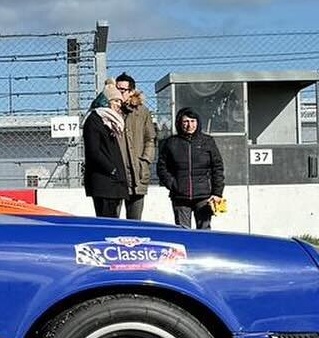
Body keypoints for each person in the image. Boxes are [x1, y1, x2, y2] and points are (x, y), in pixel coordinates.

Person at [158, 107, 225, 229]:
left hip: (204, 196)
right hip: (180, 197)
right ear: (179, 123)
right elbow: (162, 167)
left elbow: (217, 167)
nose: (190, 125)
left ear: (198, 122)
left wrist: (217, 192)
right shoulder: (170, 143)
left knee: (204, 231)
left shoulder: (207, 141)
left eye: (193, 121)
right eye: (186, 121)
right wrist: (172, 184)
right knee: (183, 233)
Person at [81, 79, 132, 219]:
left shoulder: (111, 122)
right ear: (107, 101)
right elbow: (94, 151)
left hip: (114, 182)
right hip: (104, 182)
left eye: (120, 102)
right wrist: (112, 169)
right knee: (106, 220)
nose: (118, 105)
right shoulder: (94, 120)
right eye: (115, 101)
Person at [113, 72, 157, 220]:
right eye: (116, 89)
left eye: (123, 90)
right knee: (112, 222)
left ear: (132, 91)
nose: (119, 92)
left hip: (137, 172)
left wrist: (145, 161)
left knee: (135, 222)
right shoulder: (110, 110)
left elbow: (150, 138)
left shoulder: (142, 111)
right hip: (115, 173)